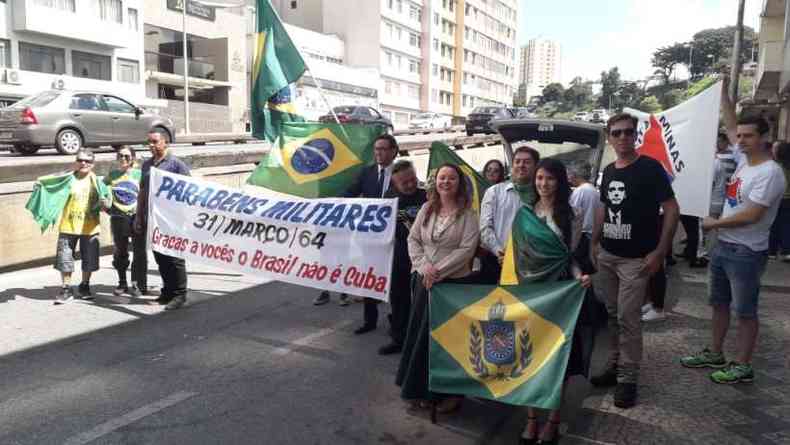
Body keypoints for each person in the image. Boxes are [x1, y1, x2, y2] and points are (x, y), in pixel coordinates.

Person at [680, 79, 786, 384]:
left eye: (748, 136)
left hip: (747, 251)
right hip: (724, 246)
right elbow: (729, 121)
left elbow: (752, 214)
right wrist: (723, 93)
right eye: (739, 136)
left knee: (745, 311)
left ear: (765, 138)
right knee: (718, 303)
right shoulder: (743, 159)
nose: (740, 140)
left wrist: (713, 224)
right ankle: (715, 352)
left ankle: (743, 364)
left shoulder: (770, 173)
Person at [590, 113, 679, 408]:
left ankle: (628, 378)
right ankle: (616, 364)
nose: (623, 138)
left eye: (629, 132)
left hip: (635, 260)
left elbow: (671, 208)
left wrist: (660, 251)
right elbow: (604, 207)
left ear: (636, 135)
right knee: (613, 315)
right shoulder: (609, 171)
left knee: (629, 319)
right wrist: (594, 241)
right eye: (617, 133)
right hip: (608, 256)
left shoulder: (650, 168)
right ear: (609, 136)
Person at [518, 159, 593, 445]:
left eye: (549, 178)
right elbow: (519, 255)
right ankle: (531, 418)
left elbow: (571, 257)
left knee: (556, 361)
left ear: (560, 181)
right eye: (539, 178)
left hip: (560, 296)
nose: (543, 184)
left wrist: (580, 277)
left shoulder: (571, 214)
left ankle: (553, 421)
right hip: (531, 294)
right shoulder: (526, 213)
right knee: (529, 359)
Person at [396, 163, 479, 415]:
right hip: (424, 281)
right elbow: (414, 239)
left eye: (451, 178)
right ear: (436, 181)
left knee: (448, 342)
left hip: (453, 285)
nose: (446, 182)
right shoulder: (426, 208)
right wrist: (424, 268)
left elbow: (466, 249)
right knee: (421, 338)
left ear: (459, 183)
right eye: (442, 178)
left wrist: (438, 270)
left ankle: (450, 393)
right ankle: (419, 390)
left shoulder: (468, 215)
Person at [313, 134, 399, 334]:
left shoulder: (401, 172)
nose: (379, 152)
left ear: (394, 151)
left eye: (384, 149)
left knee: (395, 282)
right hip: (369, 237)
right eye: (376, 149)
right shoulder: (367, 173)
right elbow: (350, 194)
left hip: (395, 237)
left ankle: (397, 321)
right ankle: (369, 321)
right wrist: (329, 205)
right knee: (370, 277)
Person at [134, 131, 191, 310]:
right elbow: (142, 191)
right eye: (149, 142)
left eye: (155, 142)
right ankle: (167, 292)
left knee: (175, 257)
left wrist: (183, 216)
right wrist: (139, 215)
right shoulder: (147, 165)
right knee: (160, 255)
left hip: (172, 219)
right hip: (153, 218)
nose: (151, 145)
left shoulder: (176, 165)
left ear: (165, 143)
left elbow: (189, 190)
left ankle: (180, 294)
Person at [379, 160, 428, 355]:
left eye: (412, 179)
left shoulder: (427, 195)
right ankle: (399, 339)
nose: (410, 185)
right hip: (398, 256)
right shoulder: (389, 198)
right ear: (394, 183)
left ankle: (423, 340)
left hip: (425, 257)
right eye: (404, 183)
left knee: (423, 300)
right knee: (398, 300)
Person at [53, 149, 111, 304]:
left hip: (90, 227)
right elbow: (50, 188)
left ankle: (84, 285)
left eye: (87, 161)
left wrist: (105, 204)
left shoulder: (98, 182)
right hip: (68, 226)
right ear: (75, 161)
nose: (83, 163)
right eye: (80, 160)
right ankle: (66, 288)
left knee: (90, 260)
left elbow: (107, 207)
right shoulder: (67, 179)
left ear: (93, 164)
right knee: (65, 259)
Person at [478, 146, 539, 284]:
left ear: (536, 166)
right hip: (495, 261)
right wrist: (501, 253)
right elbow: (485, 227)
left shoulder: (541, 196)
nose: (521, 165)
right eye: (517, 161)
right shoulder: (494, 192)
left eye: (527, 162)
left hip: (530, 264)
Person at [104, 147, 148, 297]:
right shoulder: (112, 175)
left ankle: (138, 284)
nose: (123, 159)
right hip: (118, 218)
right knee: (120, 251)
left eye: (127, 156)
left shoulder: (139, 175)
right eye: (120, 156)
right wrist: (105, 206)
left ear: (133, 159)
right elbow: (101, 191)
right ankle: (122, 282)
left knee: (139, 252)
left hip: (136, 217)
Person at [769, 141, 790, 261]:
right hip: (787, 200)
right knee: (786, 225)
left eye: (774, 148)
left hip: (777, 199)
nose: (772, 150)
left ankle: (772, 251)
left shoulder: (775, 166)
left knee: (774, 225)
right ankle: (786, 251)